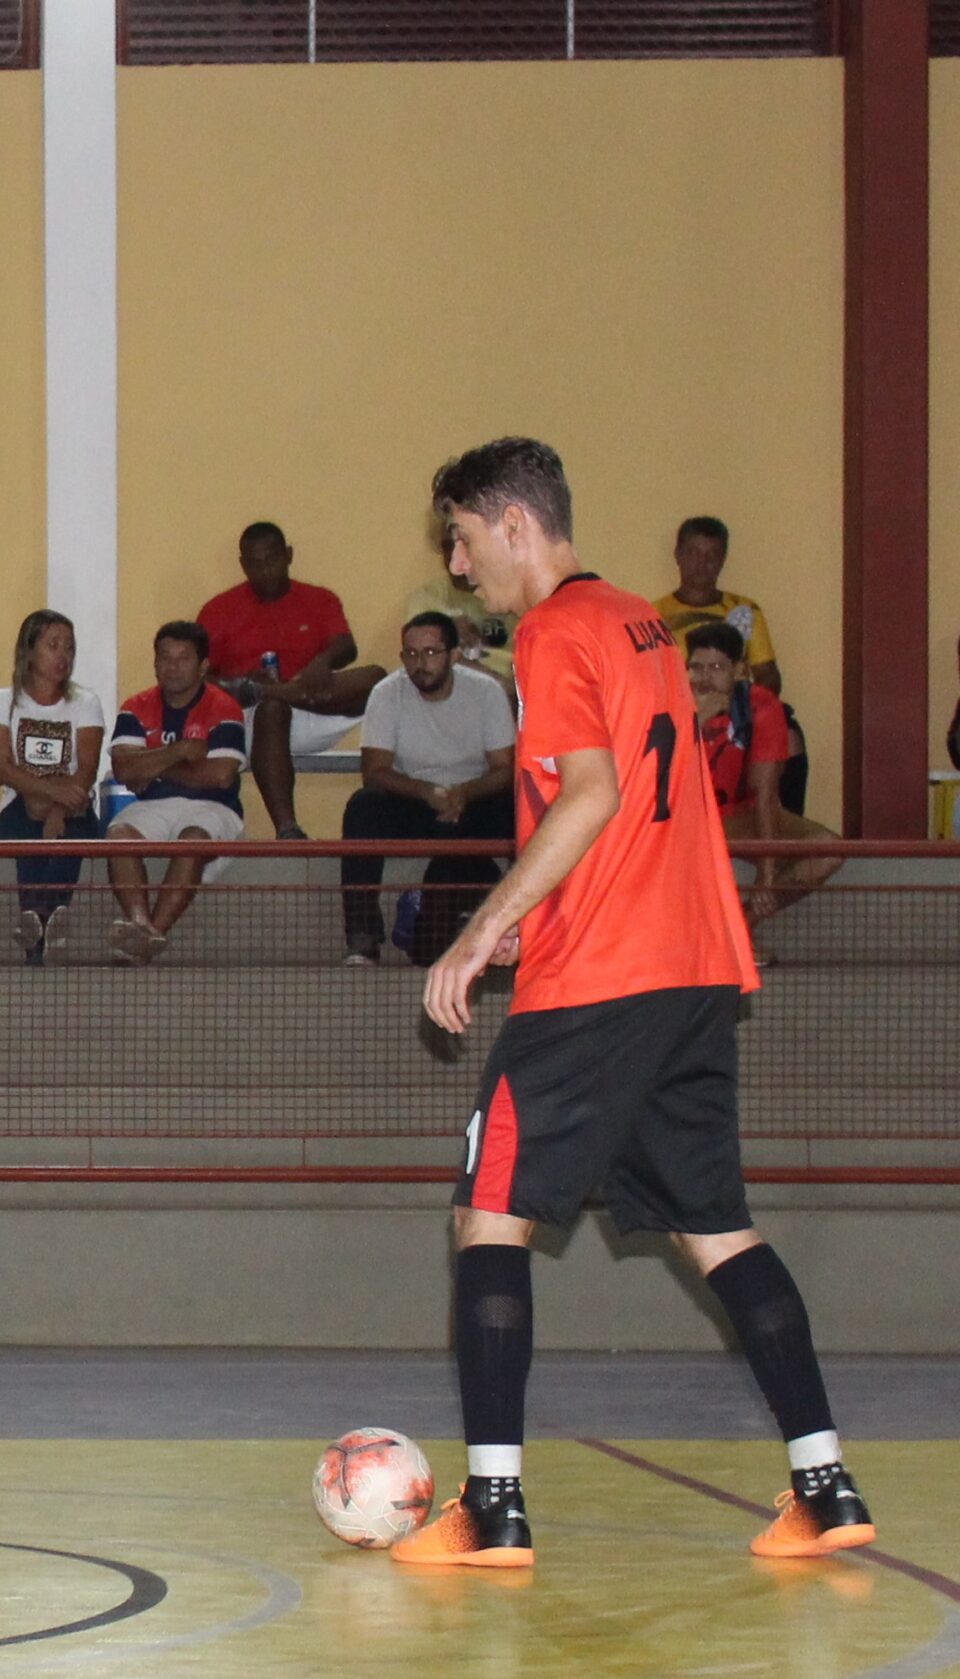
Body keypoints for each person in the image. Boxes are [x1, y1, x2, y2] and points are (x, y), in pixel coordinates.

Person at [403, 437, 872, 1568]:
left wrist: (476, 932)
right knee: (717, 1228)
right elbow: (638, 803)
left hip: (601, 977)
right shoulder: (642, 625)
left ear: (513, 524)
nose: (459, 570)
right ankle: (824, 1483)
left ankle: (493, 1506)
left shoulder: (552, 628)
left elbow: (591, 794)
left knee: (490, 1215)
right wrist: (532, 907)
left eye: (460, 541)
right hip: (694, 962)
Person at [339, 613, 515, 966]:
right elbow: (374, 772)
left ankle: (524, 927)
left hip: (477, 800)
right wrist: (424, 791)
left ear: (453, 655)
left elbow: (506, 769)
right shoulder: (387, 694)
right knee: (363, 806)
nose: (421, 664)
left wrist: (464, 793)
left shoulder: (486, 692)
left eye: (432, 653)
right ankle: (363, 936)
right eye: (411, 654)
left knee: (522, 805)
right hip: (414, 801)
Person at [198, 522, 384, 839]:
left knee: (378, 679)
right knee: (272, 708)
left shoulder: (319, 598)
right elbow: (201, 679)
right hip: (254, 719)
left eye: (271, 559)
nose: (263, 570)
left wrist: (320, 663)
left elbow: (346, 647)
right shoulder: (218, 609)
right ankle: (288, 828)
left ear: (288, 555)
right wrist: (239, 682)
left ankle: (278, 691)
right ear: (242, 564)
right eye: (253, 563)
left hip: (314, 704)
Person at [104, 621, 248, 966]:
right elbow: (124, 770)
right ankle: (141, 925)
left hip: (215, 809)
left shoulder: (224, 707)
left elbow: (220, 776)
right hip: (153, 805)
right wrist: (180, 751)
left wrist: (152, 766)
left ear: (203, 666)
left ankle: (152, 933)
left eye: (183, 658)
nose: (172, 666)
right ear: (154, 663)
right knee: (118, 835)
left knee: (192, 840)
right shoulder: (135, 706)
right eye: (165, 658)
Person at [687, 623, 841, 929]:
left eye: (717, 668)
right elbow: (651, 778)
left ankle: (741, 930)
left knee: (829, 848)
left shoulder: (760, 706)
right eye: (696, 668)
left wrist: (766, 877)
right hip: (681, 819)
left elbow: (766, 794)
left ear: (739, 670)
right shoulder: (667, 700)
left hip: (737, 815)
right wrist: (697, 720)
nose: (704, 679)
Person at [657, 516, 808, 814]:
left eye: (712, 554)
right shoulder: (653, 615)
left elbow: (768, 675)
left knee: (790, 735)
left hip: (738, 710)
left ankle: (785, 826)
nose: (703, 563)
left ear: (723, 559)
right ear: (678, 555)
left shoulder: (745, 610)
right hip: (684, 710)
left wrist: (735, 702)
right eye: (694, 553)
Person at [0, 609, 107, 967]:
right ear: (29, 650)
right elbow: (3, 768)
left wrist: (58, 810)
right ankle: (47, 918)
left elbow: (86, 770)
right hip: (20, 804)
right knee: (27, 827)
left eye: (69, 647)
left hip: (73, 807)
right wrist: (50, 795)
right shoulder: (1, 701)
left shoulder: (85, 703)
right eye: (53, 645)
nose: (63, 656)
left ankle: (37, 920)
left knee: (71, 834)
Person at [404, 559, 519, 699]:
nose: (455, 559)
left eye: (465, 543)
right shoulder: (428, 597)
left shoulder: (514, 595)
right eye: (447, 547)